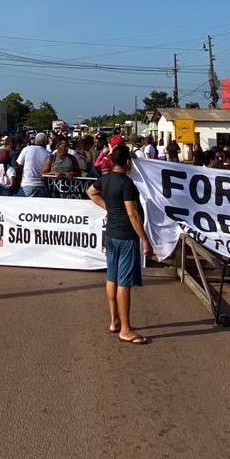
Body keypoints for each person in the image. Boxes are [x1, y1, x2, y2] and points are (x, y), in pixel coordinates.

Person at [88, 144, 152, 344]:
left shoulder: (105, 179)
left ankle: (114, 321)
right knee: (124, 283)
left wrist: (109, 208)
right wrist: (144, 239)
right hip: (126, 236)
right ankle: (125, 329)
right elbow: (132, 214)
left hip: (112, 234)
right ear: (127, 162)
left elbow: (90, 192)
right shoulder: (127, 184)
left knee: (112, 278)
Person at [18, 132, 51, 198]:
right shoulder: (48, 154)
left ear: (35, 140)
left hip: (27, 184)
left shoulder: (26, 149)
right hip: (41, 185)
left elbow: (19, 165)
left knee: (21, 206)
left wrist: (19, 179)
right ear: (45, 142)